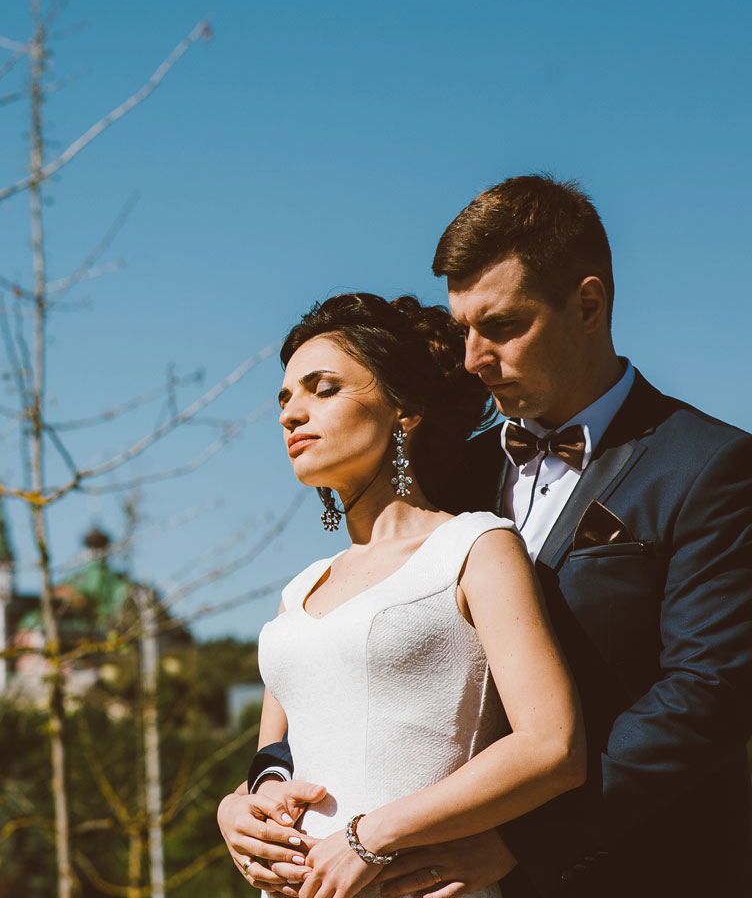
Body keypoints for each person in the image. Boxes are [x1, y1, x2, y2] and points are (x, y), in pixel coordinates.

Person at [220, 176, 752, 898]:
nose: (472, 358)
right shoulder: (450, 476)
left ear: (588, 305)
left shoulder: (708, 466)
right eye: (462, 327)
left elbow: (707, 695)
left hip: (638, 866)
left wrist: (523, 843)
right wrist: (259, 785)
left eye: (500, 326)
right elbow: (348, 669)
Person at [249, 291, 583, 898]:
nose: (291, 413)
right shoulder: (300, 590)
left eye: (322, 388)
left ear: (403, 410)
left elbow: (552, 747)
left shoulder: (476, 547)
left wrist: (368, 836)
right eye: (285, 396)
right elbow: (276, 755)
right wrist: (241, 809)